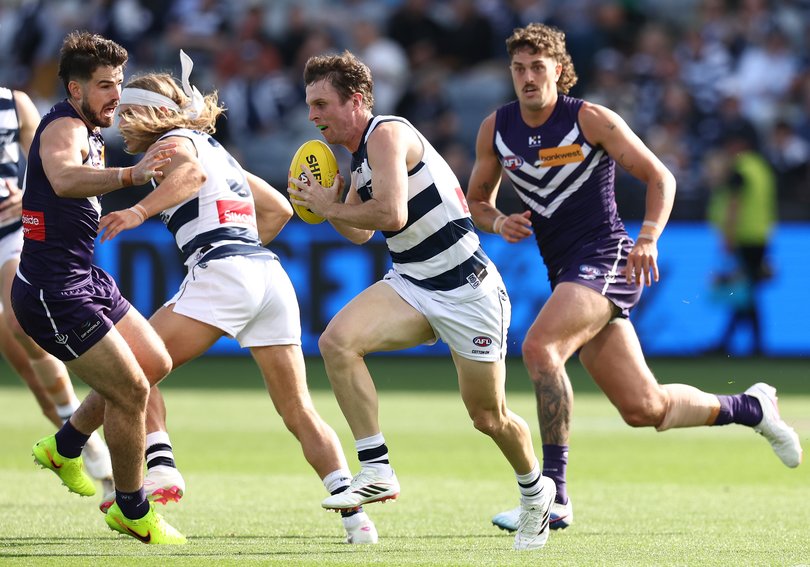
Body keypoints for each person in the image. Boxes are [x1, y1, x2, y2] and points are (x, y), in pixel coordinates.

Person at [463, 23, 803, 533]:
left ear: (559, 70)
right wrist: (497, 222)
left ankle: (552, 496)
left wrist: (647, 238)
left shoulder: (590, 119)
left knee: (540, 348)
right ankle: (751, 407)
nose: (528, 77)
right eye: (519, 68)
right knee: (645, 408)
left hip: (609, 260)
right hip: (567, 273)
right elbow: (477, 200)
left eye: (538, 67)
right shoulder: (496, 128)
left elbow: (660, 176)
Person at [95, 51, 378, 544]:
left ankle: (160, 467)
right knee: (299, 409)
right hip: (267, 275)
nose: (120, 123)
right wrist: (240, 247)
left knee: (129, 367)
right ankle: (357, 519)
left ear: (152, 113)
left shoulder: (171, 143)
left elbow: (190, 177)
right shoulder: (217, 149)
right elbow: (279, 210)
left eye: (127, 112)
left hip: (224, 269)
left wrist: (138, 213)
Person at [288, 50, 555, 552]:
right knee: (337, 342)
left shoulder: (387, 134)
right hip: (413, 283)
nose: (312, 115)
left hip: (468, 290)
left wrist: (329, 206)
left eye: (321, 104)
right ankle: (376, 468)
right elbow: (361, 234)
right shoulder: (360, 158)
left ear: (357, 101)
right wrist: (332, 206)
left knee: (488, 417)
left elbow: (390, 214)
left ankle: (536, 492)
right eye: (310, 105)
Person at [10, 31, 186, 544]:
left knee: (154, 362)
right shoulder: (64, 126)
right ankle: (131, 509)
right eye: (106, 85)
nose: (116, 95)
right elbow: (64, 178)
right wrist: (132, 176)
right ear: (75, 89)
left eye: (119, 83)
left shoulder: (90, 130)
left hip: (84, 278)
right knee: (130, 390)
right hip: (52, 293)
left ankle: (64, 446)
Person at [0, 86, 115, 500]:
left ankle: (95, 459)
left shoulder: (14, 103)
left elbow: (45, 164)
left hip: (10, 235)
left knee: (22, 329)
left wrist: (24, 195)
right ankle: (83, 446)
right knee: (31, 376)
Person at [706, 126, 777, 355]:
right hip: (760, 236)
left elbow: (734, 204)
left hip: (744, 237)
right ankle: (740, 343)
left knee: (745, 292)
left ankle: (749, 345)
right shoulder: (761, 168)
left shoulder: (740, 169)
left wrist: (728, 235)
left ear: (739, 145)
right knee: (746, 292)